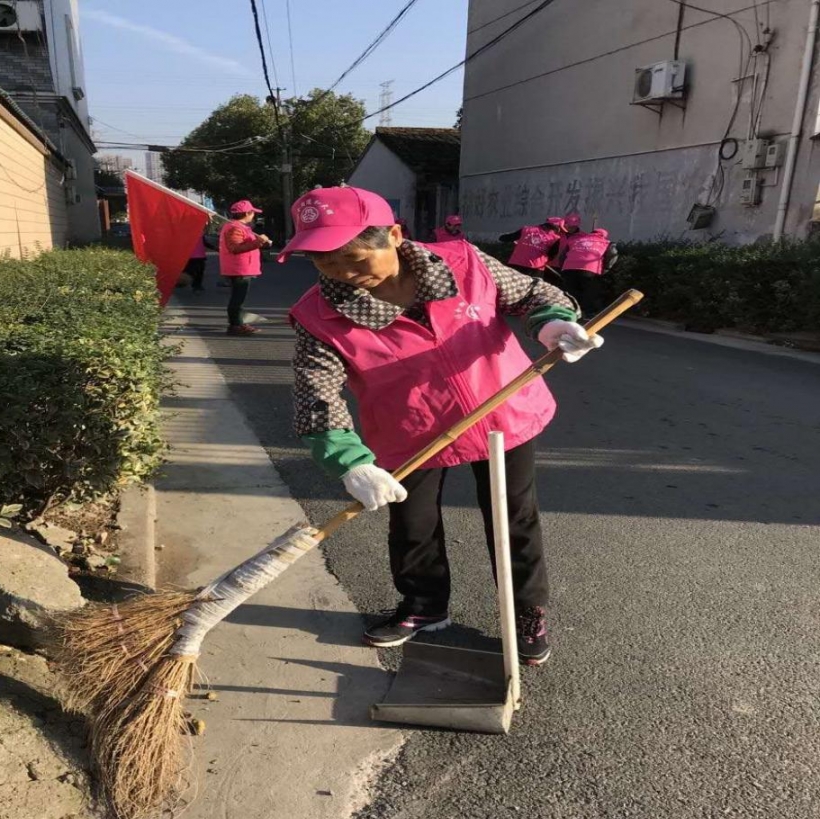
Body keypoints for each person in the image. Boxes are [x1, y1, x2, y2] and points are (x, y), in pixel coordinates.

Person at [280, 187, 604, 664]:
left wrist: (554, 325)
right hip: (409, 428)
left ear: (393, 234)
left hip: (501, 410)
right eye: (324, 263)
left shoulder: (462, 262)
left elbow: (533, 293)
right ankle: (424, 605)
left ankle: (525, 611)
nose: (343, 274)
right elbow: (317, 392)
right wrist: (348, 460)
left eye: (353, 258)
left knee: (513, 517)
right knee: (413, 521)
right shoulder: (318, 315)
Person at [220, 199, 272, 336]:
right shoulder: (235, 228)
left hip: (241, 267)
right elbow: (235, 248)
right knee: (238, 299)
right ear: (247, 213)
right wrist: (259, 241)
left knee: (239, 298)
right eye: (252, 212)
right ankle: (235, 325)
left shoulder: (238, 227)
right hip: (239, 269)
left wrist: (260, 242)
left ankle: (239, 323)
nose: (253, 215)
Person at [557, 226, 618, 317]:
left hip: (569, 267)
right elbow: (612, 256)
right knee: (589, 292)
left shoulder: (576, 240)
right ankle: (588, 313)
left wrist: (563, 268)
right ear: (604, 236)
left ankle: (567, 311)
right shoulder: (606, 242)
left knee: (570, 291)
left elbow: (562, 256)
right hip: (590, 269)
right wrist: (606, 269)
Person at [499, 217, 565, 279]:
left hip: (516, 264)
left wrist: (502, 237)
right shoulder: (555, 238)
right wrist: (546, 260)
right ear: (558, 227)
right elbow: (552, 254)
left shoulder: (526, 229)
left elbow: (506, 238)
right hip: (535, 267)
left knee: (512, 286)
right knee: (532, 289)